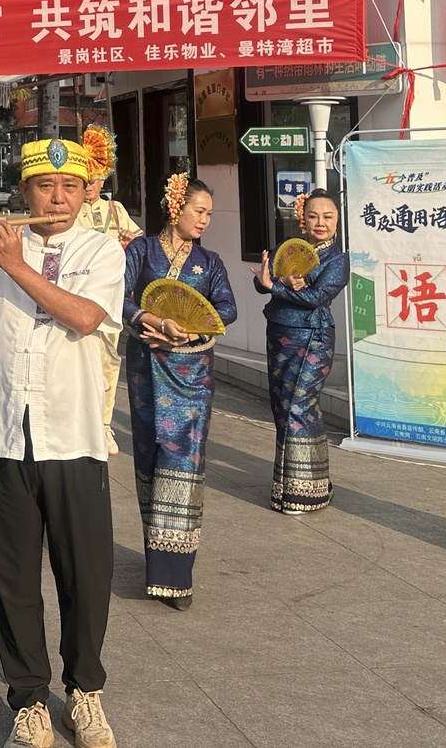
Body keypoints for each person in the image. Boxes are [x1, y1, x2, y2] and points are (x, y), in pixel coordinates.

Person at [0, 139, 124, 748]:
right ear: (25, 192)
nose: (57, 199)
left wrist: (14, 265)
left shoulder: (102, 249)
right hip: (4, 435)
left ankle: (84, 692)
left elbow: (85, 318)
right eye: (44, 186)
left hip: (74, 436)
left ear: (86, 192)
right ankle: (29, 700)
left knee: (85, 574)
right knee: (13, 577)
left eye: (70, 187)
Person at [122, 173, 237, 610]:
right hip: (147, 366)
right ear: (176, 208)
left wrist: (192, 329)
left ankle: (177, 575)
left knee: (184, 459)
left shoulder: (209, 261)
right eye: (199, 211)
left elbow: (227, 306)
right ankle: (157, 563)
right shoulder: (141, 250)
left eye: (209, 213)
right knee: (150, 456)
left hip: (193, 373)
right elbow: (119, 296)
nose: (205, 219)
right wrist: (152, 319)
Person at [254, 189, 349, 515]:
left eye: (328, 216)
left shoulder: (338, 260)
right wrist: (274, 279)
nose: (321, 222)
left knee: (300, 407)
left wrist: (276, 286)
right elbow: (261, 282)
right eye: (313, 216)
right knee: (282, 409)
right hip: (279, 332)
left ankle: (307, 493)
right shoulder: (288, 248)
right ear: (302, 220)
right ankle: (289, 488)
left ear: (337, 221)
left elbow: (316, 298)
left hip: (314, 337)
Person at [76, 127, 141, 456]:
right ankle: (77, 423)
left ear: (103, 180)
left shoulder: (116, 210)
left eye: (94, 180)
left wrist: (130, 243)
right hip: (74, 297)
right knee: (74, 362)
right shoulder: (68, 210)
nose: (89, 186)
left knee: (108, 361)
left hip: (110, 299)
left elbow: (139, 244)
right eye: (84, 180)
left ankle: (103, 423)